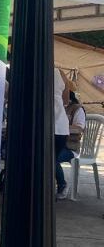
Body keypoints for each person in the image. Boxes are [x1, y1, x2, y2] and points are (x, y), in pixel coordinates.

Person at [56, 91, 87, 200]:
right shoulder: (57, 107)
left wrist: (62, 126)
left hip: (70, 147)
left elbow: (79, 128)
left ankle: (62, 185)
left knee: (51, 158)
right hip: (56, 144)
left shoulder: (77, 109)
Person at [54, 67, 72, 199]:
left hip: (49, 125)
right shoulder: (60, 72)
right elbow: (66, 100)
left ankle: (61, 184)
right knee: (51, 160)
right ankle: (60, 185)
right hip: (60, 126)